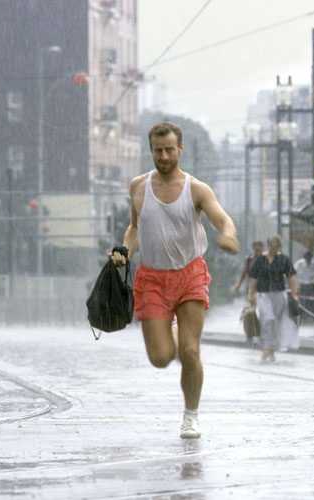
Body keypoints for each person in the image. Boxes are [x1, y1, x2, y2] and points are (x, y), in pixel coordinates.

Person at [109, 121, 239, 439]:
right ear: (150, 150)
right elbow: (135, 227)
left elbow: (223, 220)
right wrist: (124, 250)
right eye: (158, 150)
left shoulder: (197, 189)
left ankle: (190, 417)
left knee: (191, 353)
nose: (164, 156)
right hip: (151, 278)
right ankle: (176, 333)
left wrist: (228, 236)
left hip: (190, 274)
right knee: (161, 357)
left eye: (170, 149)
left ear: (181, 149)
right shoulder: (138, 186)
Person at [248, 234, 299, 362]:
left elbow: (291, 277)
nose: (274, 250)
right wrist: (251, 295)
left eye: (277, 248)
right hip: (263, 294)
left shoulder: (284, 259)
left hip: (279, 294)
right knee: (268, 319)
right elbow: (253, 278)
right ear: (269, 246)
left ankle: (272, 349)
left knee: (276, 322)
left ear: (279, 247)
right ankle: (266, 347)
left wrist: (294, 294)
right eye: (272, 248)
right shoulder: (260, 259)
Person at [294, 250, 314, 322]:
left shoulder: (313, 264)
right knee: (302, 302)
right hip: (302, 284)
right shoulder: (300, 263)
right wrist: (297, 286)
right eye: (307, 260)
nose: (309, 261)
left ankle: (310, 316)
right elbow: (294, 274)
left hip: (310, 284)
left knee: (310, 301)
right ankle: (302, 316)